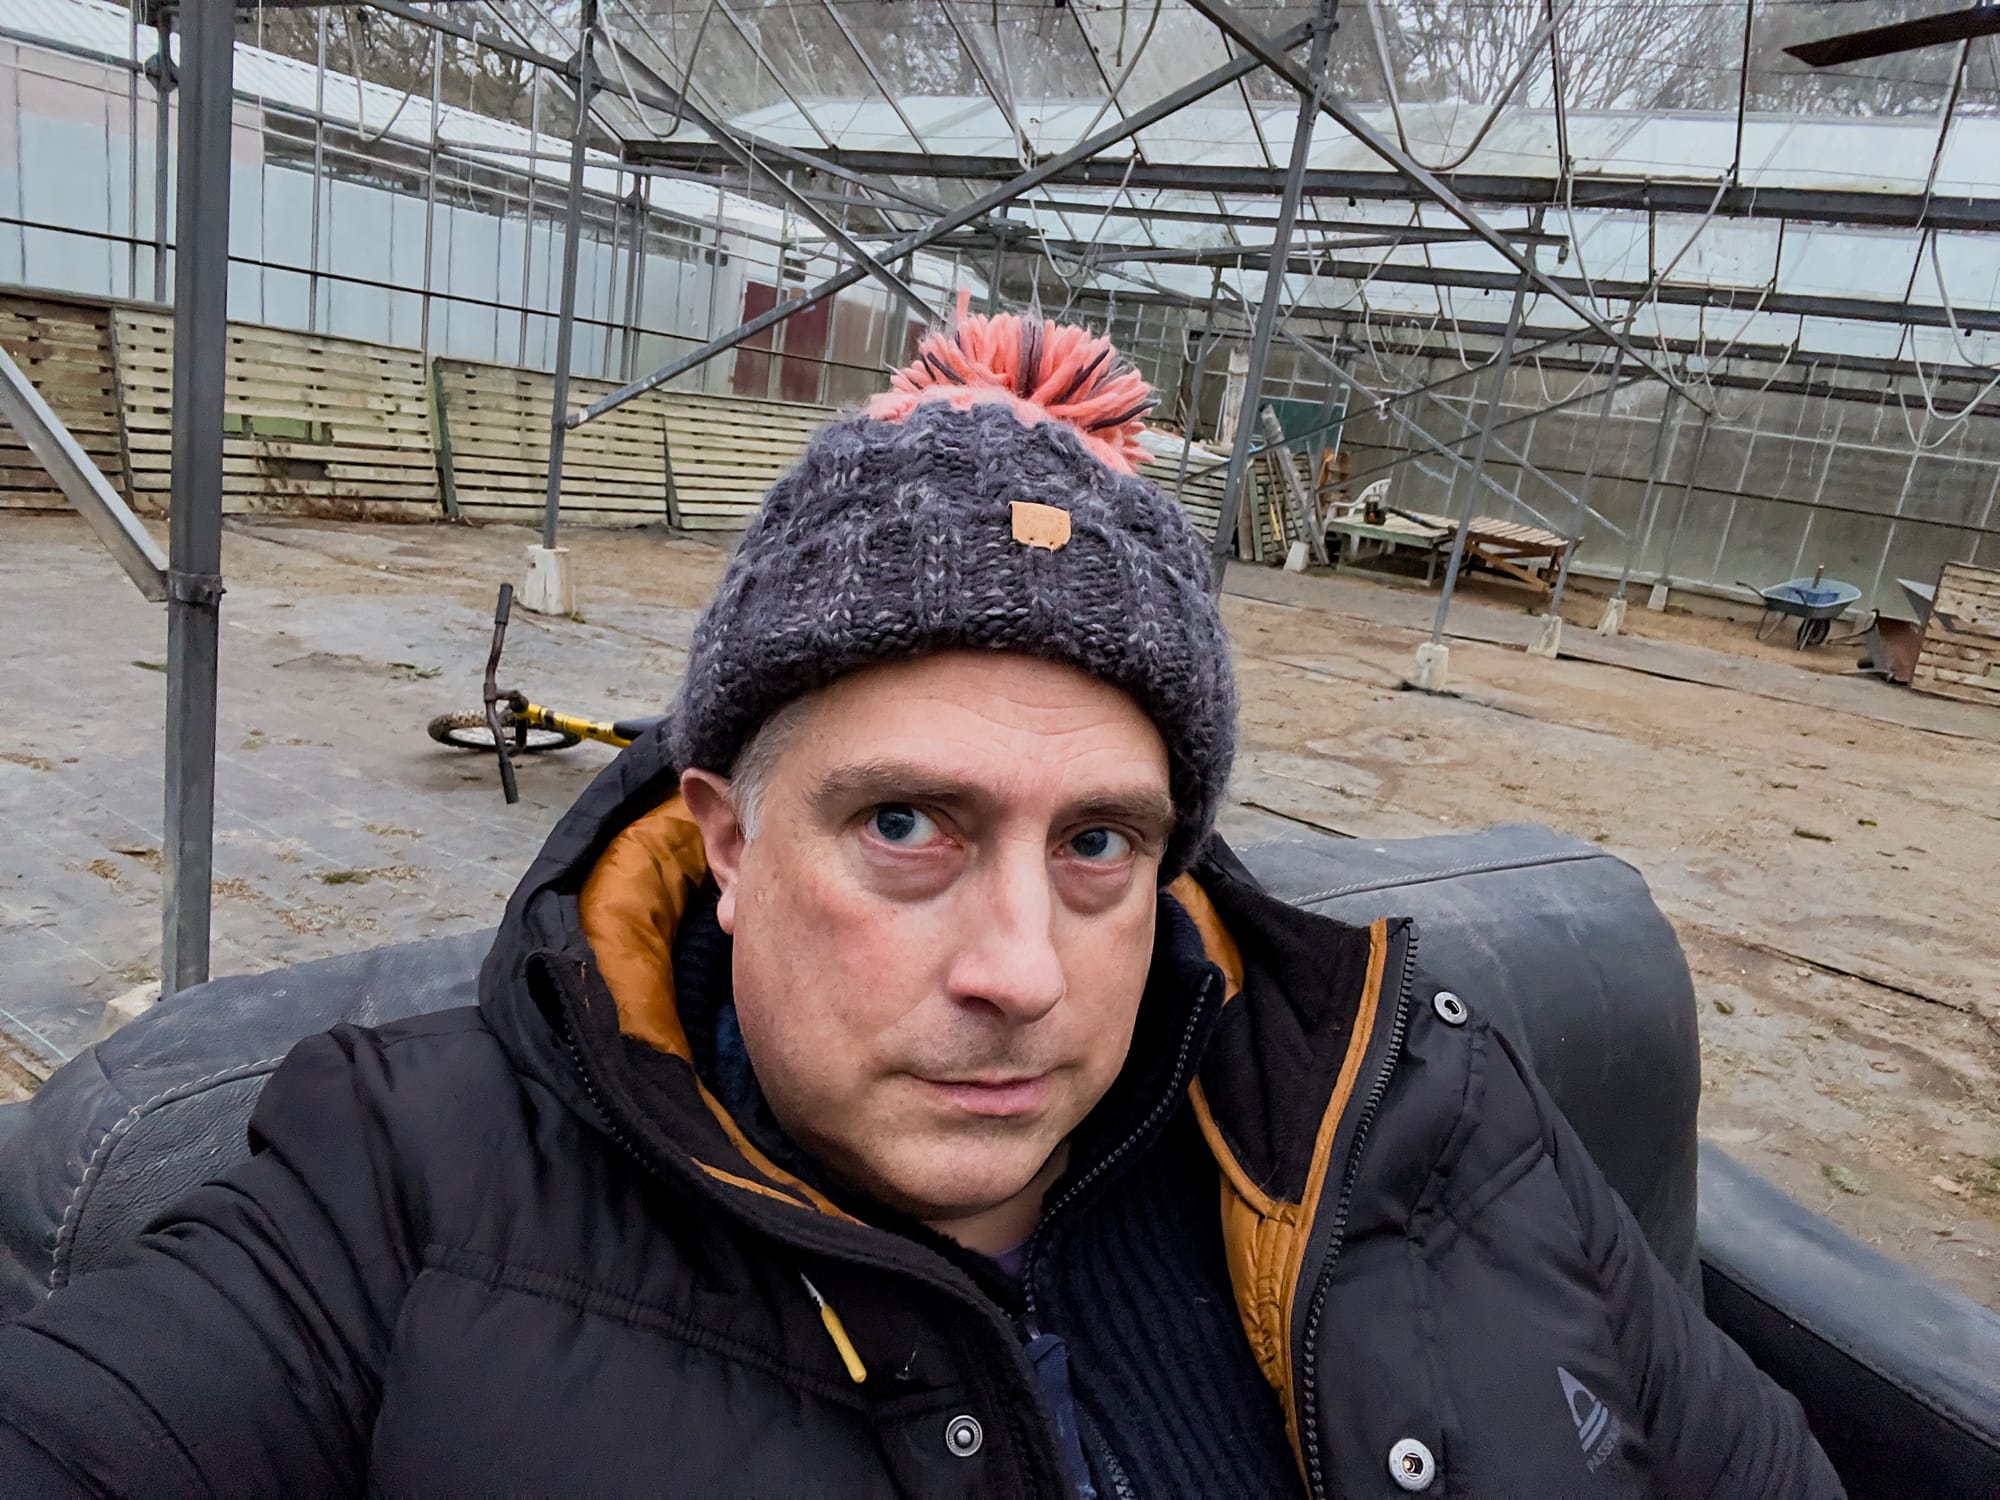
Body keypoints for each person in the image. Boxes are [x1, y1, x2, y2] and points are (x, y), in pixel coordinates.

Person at [0, 299, 1838, 1499]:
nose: (1022, 973)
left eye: (1099, 843)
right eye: (905, 825)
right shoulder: (402, 1196)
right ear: (724, 839)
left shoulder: (1433, 1109)